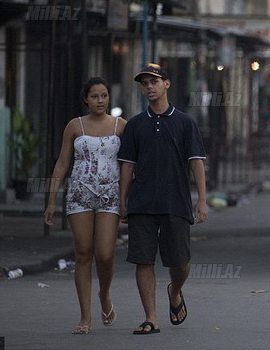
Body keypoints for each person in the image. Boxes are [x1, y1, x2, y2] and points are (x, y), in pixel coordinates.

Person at [118, 63, 208, 335]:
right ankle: (151, 317)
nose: (149, 87)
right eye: (145, 83)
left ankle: (175, 290)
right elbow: (127, 165)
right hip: (142, 203)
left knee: (179, 262)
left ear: (167, 84)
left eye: (154, 81)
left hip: (175, 202)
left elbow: (196, 162)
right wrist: (123, 200)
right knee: (143, 260)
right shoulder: (135, 125)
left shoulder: (184, 122)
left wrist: (202, 200)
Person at [44, 77, 126, 334]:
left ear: (109, 98)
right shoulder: (74, 126)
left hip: (110, 195)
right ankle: (85, 318)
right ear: (86, 99)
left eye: (104, 96)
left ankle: (104, 294)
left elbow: (130, 166)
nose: (100, 101)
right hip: (80, 194)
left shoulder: (121, 126)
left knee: (105, 254)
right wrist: (50, 201)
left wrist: (127, 198)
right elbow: (61, 163)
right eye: (94, 96)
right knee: (82, 253)